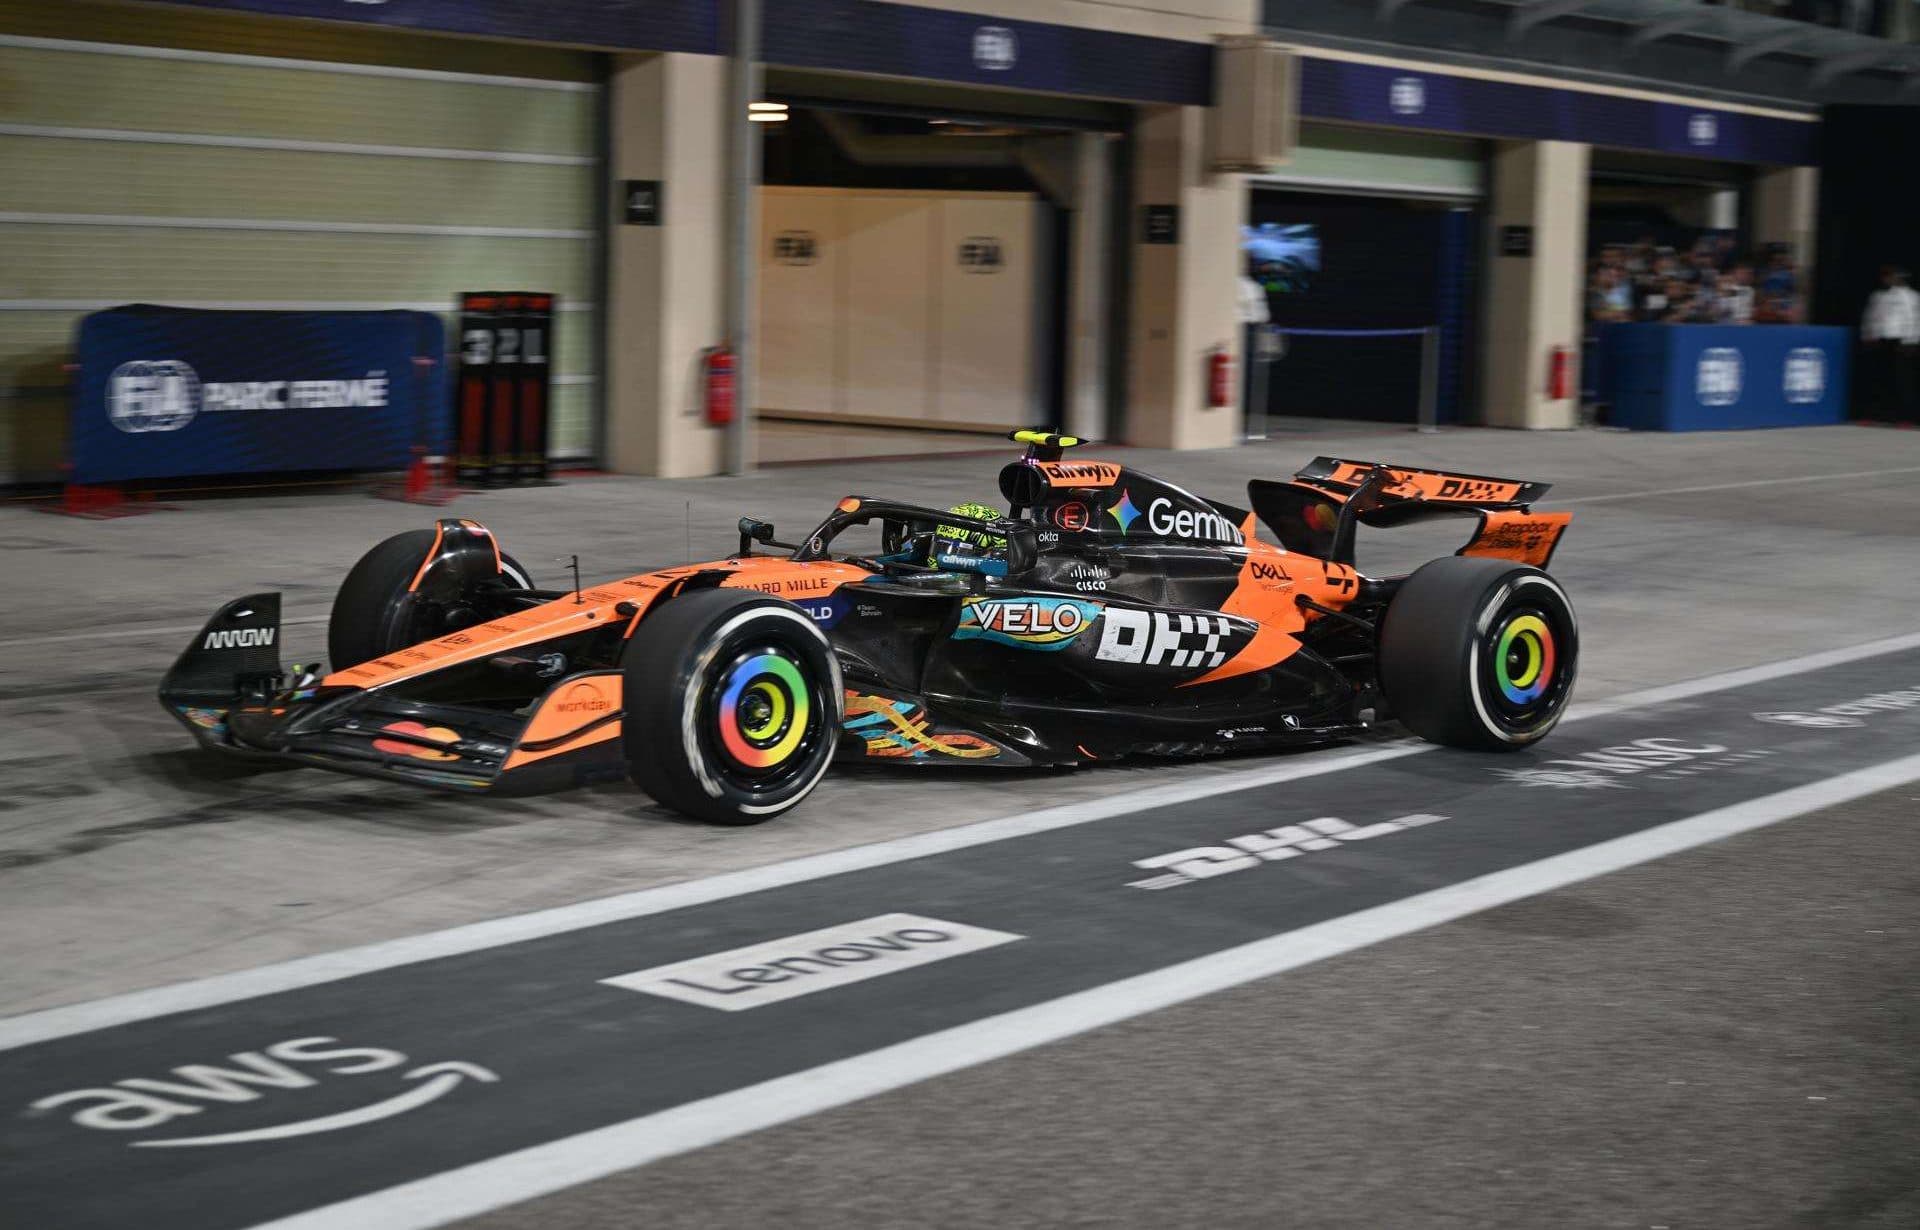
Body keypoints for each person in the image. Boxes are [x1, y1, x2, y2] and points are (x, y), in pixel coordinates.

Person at [1861, 266, 1920, 423]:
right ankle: (1875, 414)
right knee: (1878, 378)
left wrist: (1911, 340)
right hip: (1881, 339)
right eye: (1886, 276)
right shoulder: (1878, 296)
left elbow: (1914, 319)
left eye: (1892, 276)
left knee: (1902, 380)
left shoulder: (1911, 296)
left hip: (1901, 341)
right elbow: (1871, 317)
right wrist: (1868, 334)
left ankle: (1905, 417)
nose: (1888, 279)